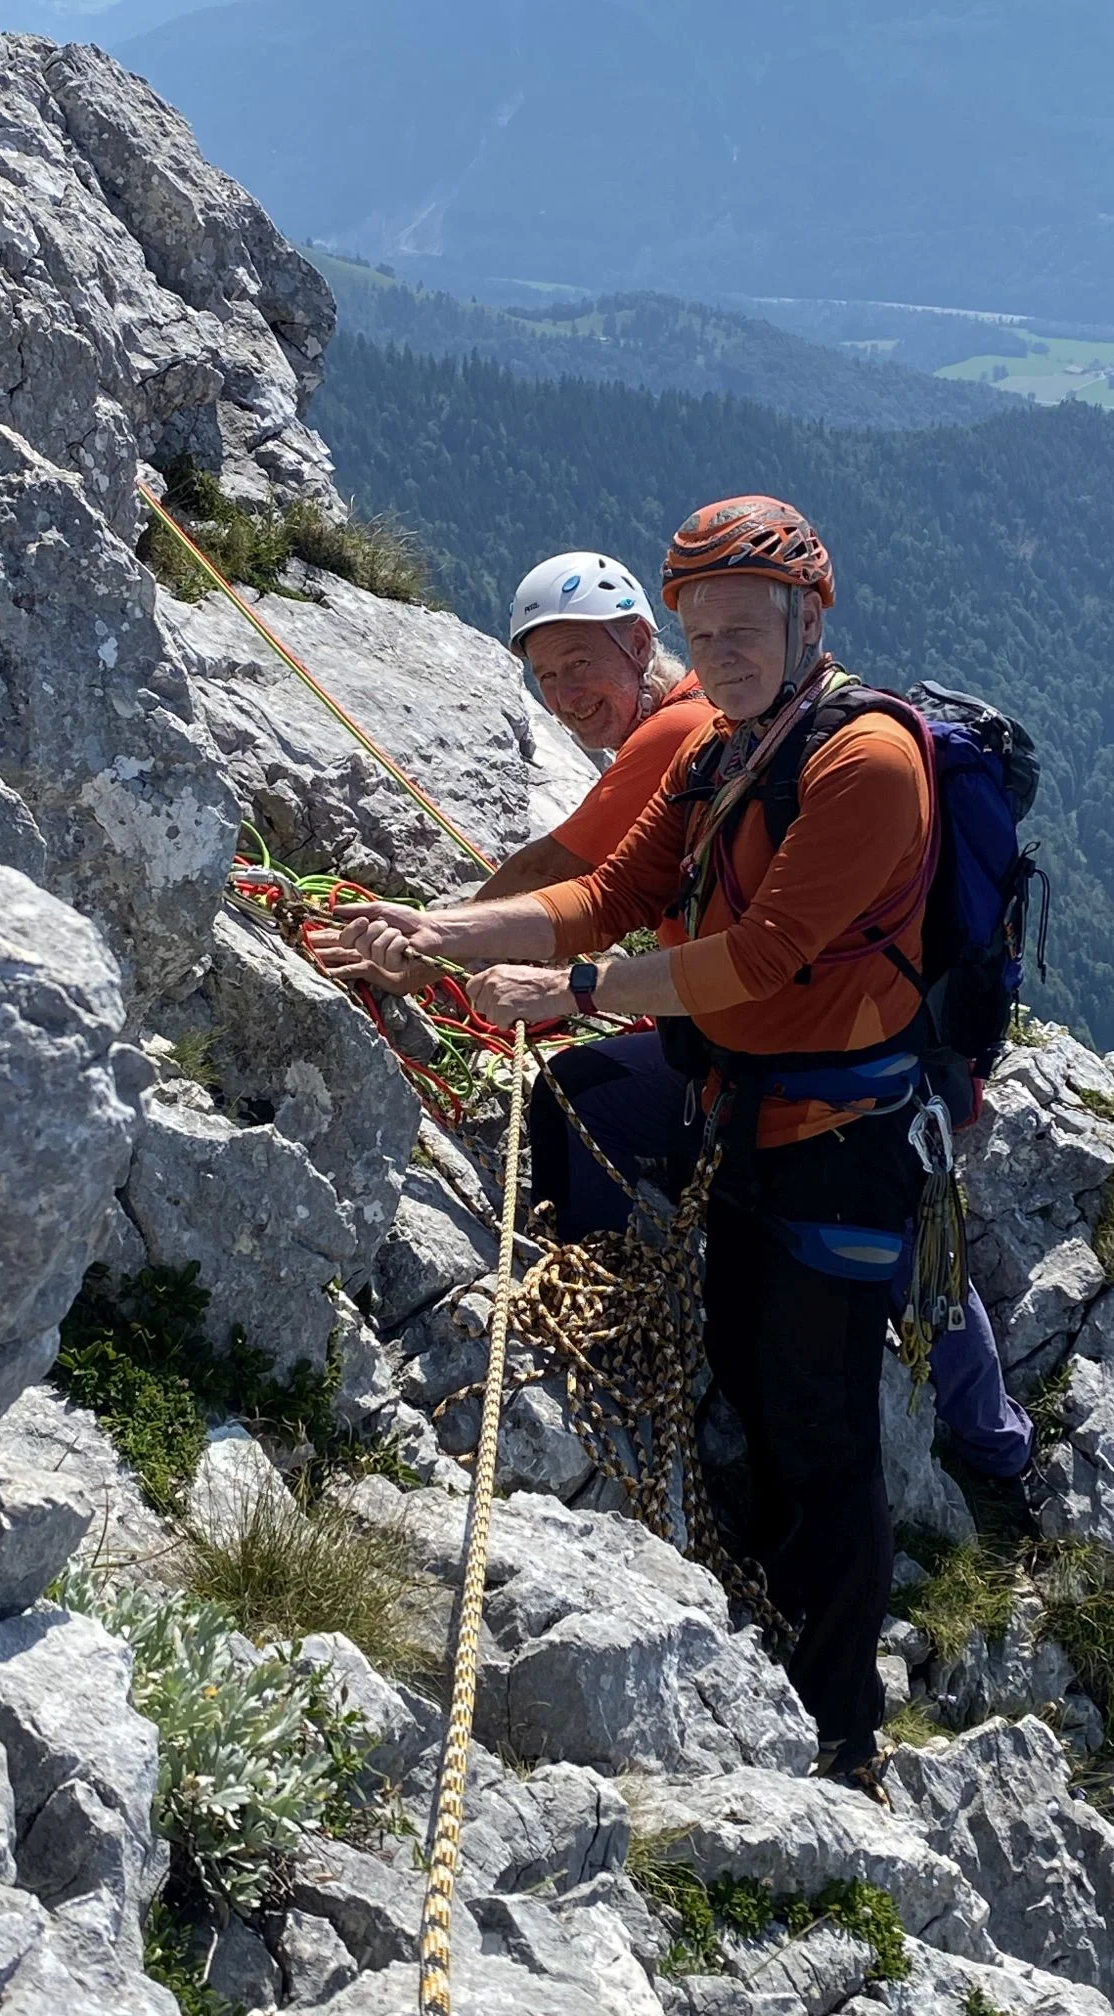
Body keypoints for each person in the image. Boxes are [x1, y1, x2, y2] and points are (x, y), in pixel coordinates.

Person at [335, 496, 1030, 1779]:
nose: (719, 655)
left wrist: (579, 996)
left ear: (808, 619)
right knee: (751, 1382)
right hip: (748, 1120)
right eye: (702, 632)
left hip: (841, 1138)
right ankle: (772, 1629)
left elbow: (764, 960)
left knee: (814, 1423)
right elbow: (605, 895)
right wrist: (434, 931)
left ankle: (839, 1731)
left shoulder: (861, 763)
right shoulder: (719, 751)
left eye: (744, 628)